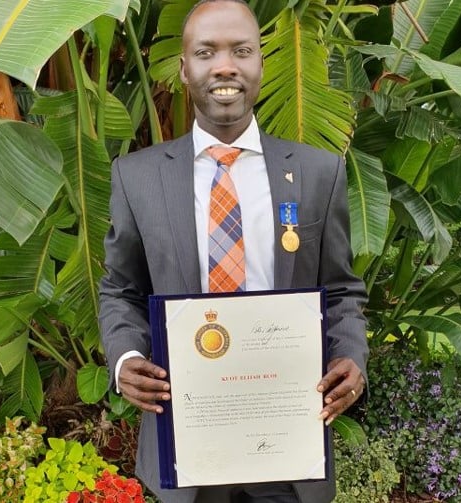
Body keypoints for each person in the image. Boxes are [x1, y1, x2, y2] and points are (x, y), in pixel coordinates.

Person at [98, 1, 368, 502]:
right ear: (184, 69)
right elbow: (121, 289)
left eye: (241, 51)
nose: (225, 66)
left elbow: (342, 289)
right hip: (186, 440)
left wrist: (350, 355)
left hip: (288, 447)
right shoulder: (137, 177)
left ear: (260, 64)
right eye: (206, 52)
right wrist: (126, 358)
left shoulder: (316, 173)